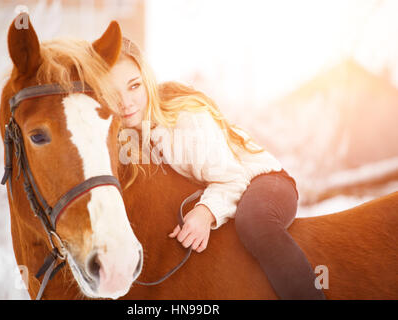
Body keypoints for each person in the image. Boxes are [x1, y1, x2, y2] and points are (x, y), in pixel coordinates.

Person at [107, 37, 326, 300]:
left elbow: (232, 178)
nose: (126, 102)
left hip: (259, 180)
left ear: (147, 81)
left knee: (254, 223)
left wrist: (205, 213)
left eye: (134, 87)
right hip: (218, 188)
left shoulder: (186, 120)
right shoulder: (124, 136)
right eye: (112, 93)